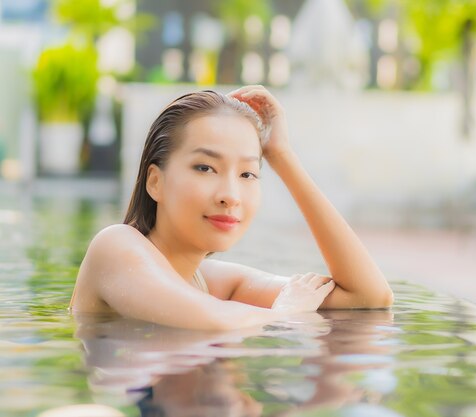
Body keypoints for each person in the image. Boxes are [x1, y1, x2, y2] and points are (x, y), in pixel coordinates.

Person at [69, 85, 393, 330]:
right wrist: (286, 312)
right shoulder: (115, 247)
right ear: (155, 182)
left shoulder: (212, 282)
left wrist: (281, 156)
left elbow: (370, 298)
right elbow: (213, 318)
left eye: (248, 174)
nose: (231, 195)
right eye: (205, 168)